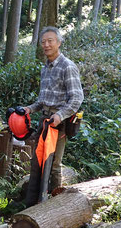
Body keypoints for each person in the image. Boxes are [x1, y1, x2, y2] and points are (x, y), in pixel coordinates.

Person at [22, 26, 84, 191]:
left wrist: (60, 115)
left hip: (59, 123)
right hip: (44, 121)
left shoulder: (67, 66)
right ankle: (34, 199)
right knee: (38, 159)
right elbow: (43, 100)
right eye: (43, 42)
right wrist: (30, 109)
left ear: (59, 42)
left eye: (50, 41)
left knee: (54, 164)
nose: (46, 45)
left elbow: (77, 98)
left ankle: (54, 203)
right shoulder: (45, 68)